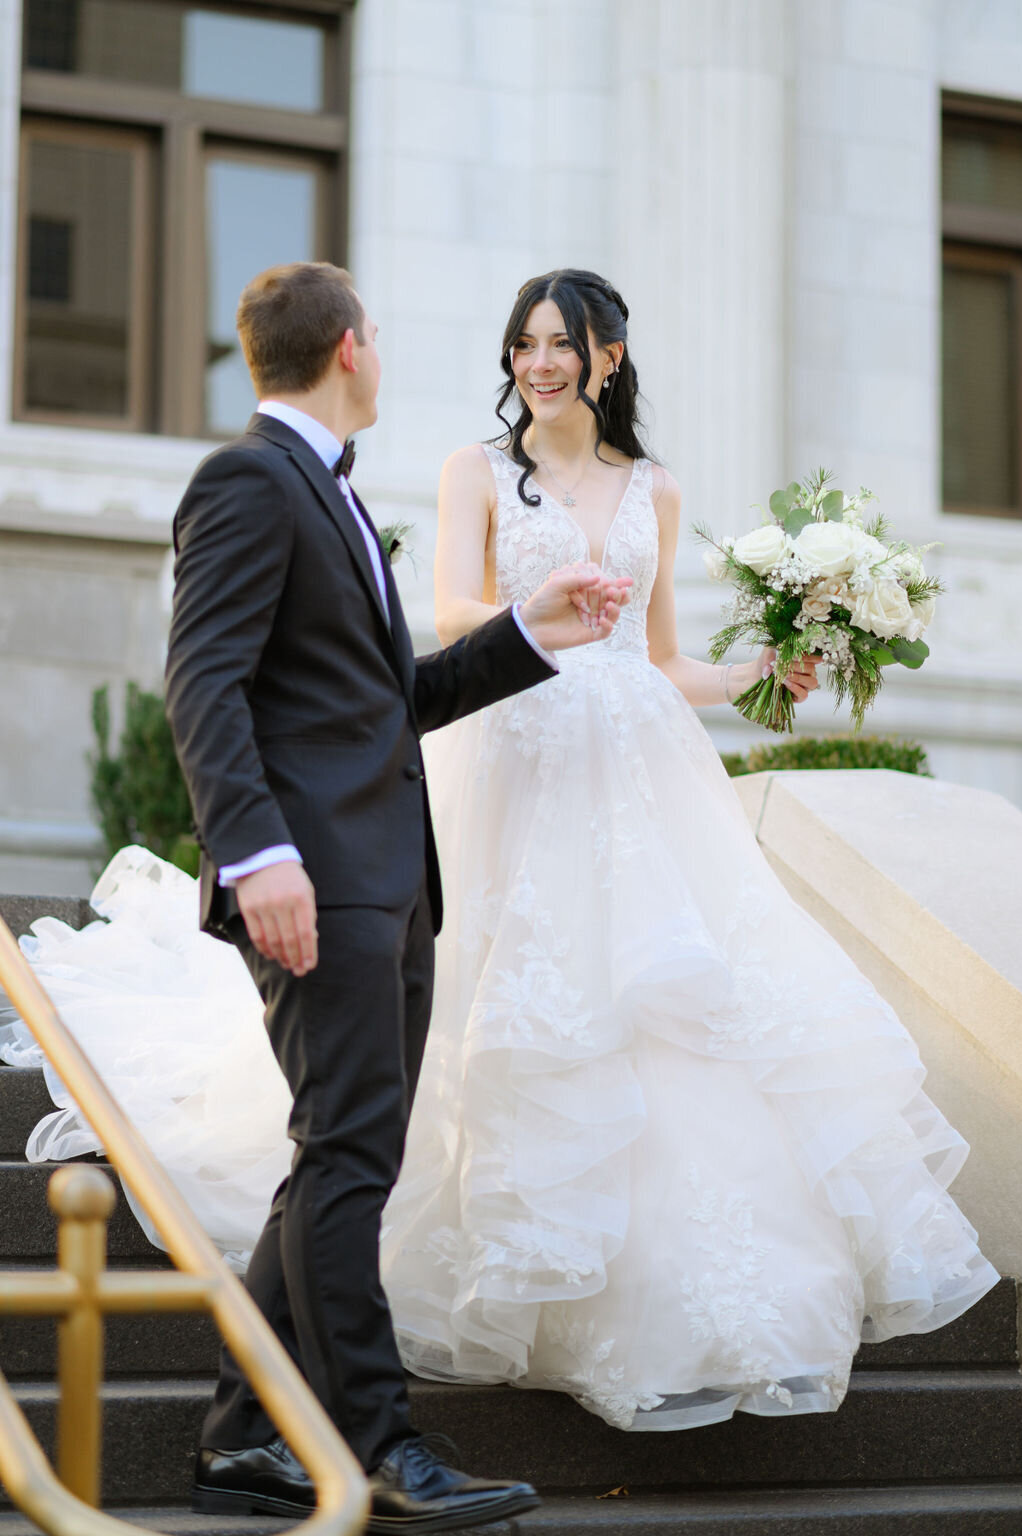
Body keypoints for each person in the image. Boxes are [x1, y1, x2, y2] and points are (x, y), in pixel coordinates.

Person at [0, 268, 997, 1446]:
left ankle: (289, 1421)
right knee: (400, 1101)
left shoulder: (647, 491)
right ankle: (356, 1437)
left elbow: (653, 657)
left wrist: (752, 678)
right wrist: (535, 622)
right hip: (497, 764)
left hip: (631, 774)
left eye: (560, 343)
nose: (538, 361)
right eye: (523, 342)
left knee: (640, 1033)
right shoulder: (427, 474)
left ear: (607, 358)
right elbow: (393, 639)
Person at [161, 260, 630, 1526]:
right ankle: (376, 1441)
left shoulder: (328, 494)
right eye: (378, 328)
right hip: (316, 883)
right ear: (352, 348)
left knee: (335, 1154)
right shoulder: (251, 479)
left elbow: (388, 707)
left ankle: (239, 1437)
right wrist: (259, 858)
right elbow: (200, 684)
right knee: (352, 1159)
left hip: (381, 880)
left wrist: (531, 635)